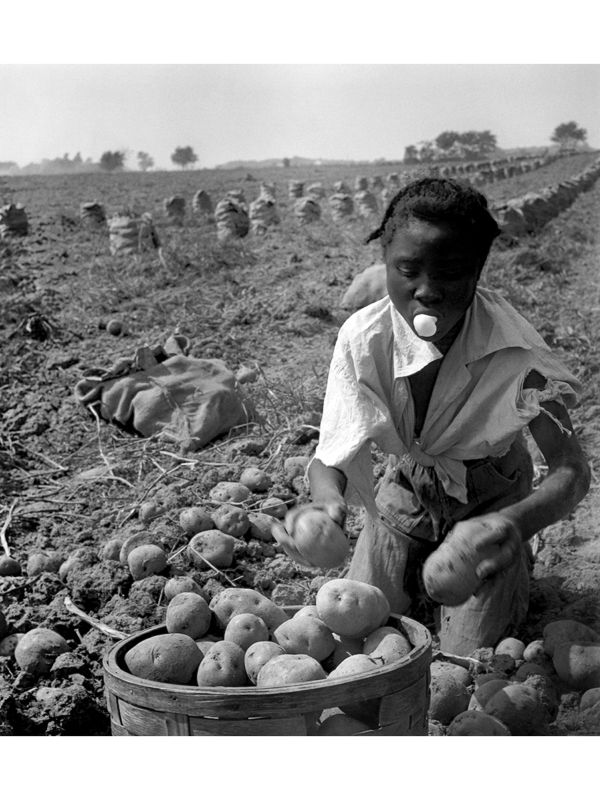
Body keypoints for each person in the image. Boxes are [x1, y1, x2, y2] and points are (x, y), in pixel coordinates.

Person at [281, 177, 591, 656]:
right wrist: (324, 503)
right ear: (384, 265)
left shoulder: (516, 351)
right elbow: (335, 451)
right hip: (408, 487)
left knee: (467, 652)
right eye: (408, 270)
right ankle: (414, 547)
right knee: (357, 624)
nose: (427, 291)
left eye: (450, 273)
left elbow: (572, 470)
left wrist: (513, 523)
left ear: (477, 273)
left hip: (492, 496)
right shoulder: (363, 339)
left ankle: (509, 564)